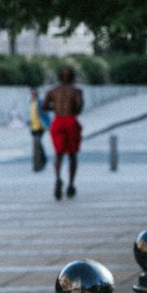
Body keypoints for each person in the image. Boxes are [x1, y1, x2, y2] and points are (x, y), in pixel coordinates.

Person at [42, 64, 83, 199]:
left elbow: (44, 106)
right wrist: (70, 110)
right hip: (70, 120)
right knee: (72, 155)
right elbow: (79, 108)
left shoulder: (53, 91)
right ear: (72, 77)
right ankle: (71, 184)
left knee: (58, 154)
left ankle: (58, 178)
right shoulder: (76, 91)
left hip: (58, 121)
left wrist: (56, 108)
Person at [28, 87, 48, 172]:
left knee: (37, 143)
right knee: (38, 145)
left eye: (34, 93)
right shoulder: (31, 102)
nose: (32, 95)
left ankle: (38, 165)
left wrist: (46, 124)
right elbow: (31, 115)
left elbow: (45, 114)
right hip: (33, 127)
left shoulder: (40, 102)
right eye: (31, 93)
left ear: (37, 93)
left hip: (40, 126)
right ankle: (43, 159)